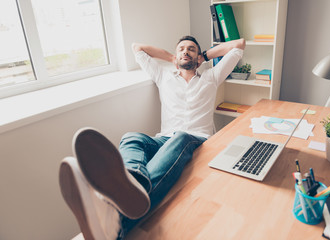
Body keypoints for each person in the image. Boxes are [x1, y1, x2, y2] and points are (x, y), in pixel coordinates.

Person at [59, 35, 245, 239]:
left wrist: (206, 55)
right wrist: (170, 57)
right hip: (164, 139)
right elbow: (137, 47)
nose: (186, 52)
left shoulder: (212, 76)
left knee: (181, 136)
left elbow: (238, 44)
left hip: (197, 140)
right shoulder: (163, 75)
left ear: (198, 56)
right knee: (132, 137)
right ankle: (130, 181)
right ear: (176, 55)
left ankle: (119, 222)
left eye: (191, 49)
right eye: (181, 49)